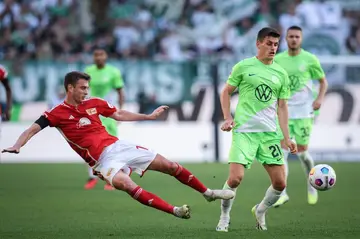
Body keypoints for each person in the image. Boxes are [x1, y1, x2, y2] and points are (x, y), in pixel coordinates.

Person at [2, 71, 235, 219]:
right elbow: (32, 128)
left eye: (87, 88)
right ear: (70, 88)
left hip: (118, 146)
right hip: (102, 161)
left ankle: (208, 193)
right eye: (82, 88)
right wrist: (17, 145)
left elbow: (119, 114)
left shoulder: (95, 103)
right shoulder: (56, 113)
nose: (86, 92)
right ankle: (174, 210)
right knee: (125, 183)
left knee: (170, 165)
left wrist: (149, 117)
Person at [215, 27, 297, 232]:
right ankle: (224, 216)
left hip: (269, 135)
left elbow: (283, 107)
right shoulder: (243, 66)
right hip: (244, 132)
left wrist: (287, 138)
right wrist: (227, 117)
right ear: (258, 43)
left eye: (276, 45)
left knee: (280, 184)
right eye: (269, 44)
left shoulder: (281, 73)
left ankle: (260, 210)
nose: (273, 48)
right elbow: (226, 92)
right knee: (235, 178)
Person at [273, 26, 328, 207]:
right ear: (286, 39)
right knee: (283, 153)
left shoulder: (310, 59)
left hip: (304, 113)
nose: (294, 39)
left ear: (301, 39)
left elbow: (323, 81)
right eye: (291, 37)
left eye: (297, 36)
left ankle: (312, 185)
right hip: (285, 112)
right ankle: (282, 192)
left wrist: (319, 98)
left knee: (303, 153)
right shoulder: (278, 59)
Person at [84, 47, 125, 190]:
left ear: (106, 56)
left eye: (101, 54)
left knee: (112, 147)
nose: (99, 57)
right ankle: (92, 176)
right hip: (91, 114)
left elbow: (120, 91)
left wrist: (120, 111)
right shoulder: (88, 71)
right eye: (96, 55)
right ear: (93, 57)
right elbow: (82, 91)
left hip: (109, 113)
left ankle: (111, 179)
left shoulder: (113, 72)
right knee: (91, 145)